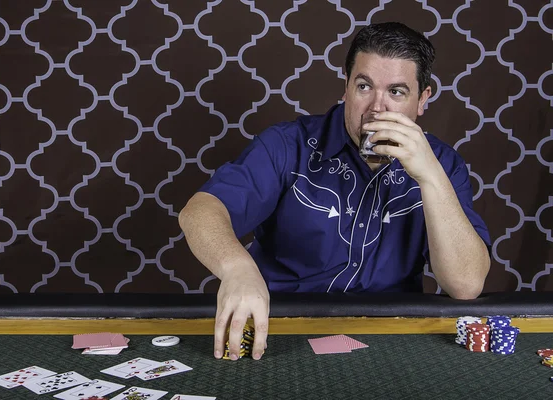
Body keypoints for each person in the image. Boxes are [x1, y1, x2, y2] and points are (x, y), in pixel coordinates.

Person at [178, 22, 491, 361]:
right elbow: (200, 212)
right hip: (281, 330)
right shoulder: (289, 145)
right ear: (345, 88)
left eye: (397, 92)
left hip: (391, 336)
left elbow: (466, 284)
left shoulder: (443, 164)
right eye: (364, 86)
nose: (376, 108)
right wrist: (237, 268)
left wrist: (430, 177)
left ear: (422, 100)